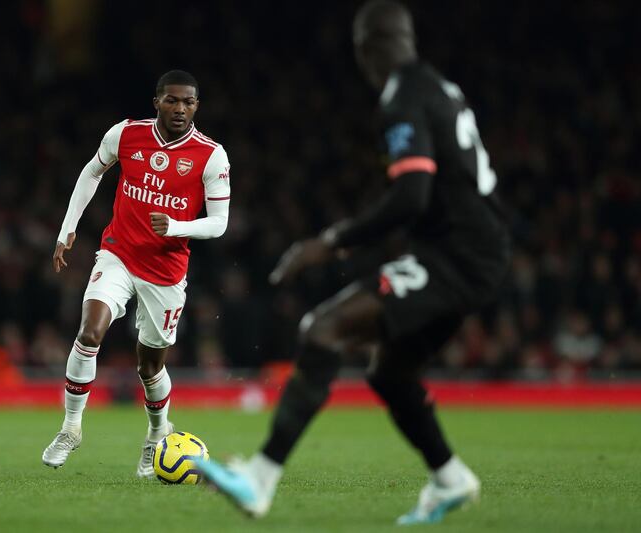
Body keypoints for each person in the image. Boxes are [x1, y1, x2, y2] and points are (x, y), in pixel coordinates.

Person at [195, 0, 509, 525]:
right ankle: (450, 478)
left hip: (459, 255)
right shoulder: (437, 86)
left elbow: (411, 195)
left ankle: (259, 479)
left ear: (366, 50)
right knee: (389, 371)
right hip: (471, 249)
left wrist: (332, 241)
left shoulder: (401, 96)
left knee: (323, 329)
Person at [42, 70, 231, 478]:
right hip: (118, 254)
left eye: (188, 102)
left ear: (197, 106)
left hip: (165, 271)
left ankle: (157, 436)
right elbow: (92, 171)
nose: (180, 109)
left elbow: (219, 223)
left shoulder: (211, 155)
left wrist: (178, 227)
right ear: (157, 101)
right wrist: (68, 227)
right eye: (172, 100)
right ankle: (71, 428)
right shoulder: (125, 135)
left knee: (150, 368)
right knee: (89, 332)